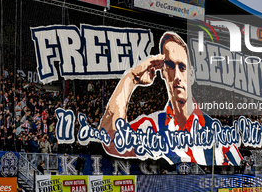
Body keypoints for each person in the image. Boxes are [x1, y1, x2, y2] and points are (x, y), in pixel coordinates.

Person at [99, 32, 242, 166]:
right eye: (171, 66)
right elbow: (111, 142)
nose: (177, 76)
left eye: (182, 67)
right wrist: (131, 78)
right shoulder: (151, 126)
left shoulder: (215, 131)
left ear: (191, 75)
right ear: (163, 73)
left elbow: (244, 174)